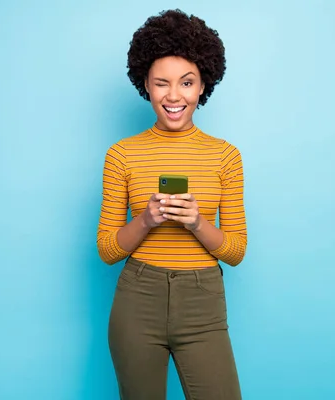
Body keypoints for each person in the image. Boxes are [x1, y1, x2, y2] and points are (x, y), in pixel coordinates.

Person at [96, 9, 247, 400]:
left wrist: (197, 222)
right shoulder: (122, 155)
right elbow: (107, 250)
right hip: (137, 301)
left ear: (202, 87)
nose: (174, 96)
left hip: (203, 304)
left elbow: (235, 252)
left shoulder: (225, 156)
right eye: (162, 83)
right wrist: (146, 219)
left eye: (186, 82)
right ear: (145, 84)